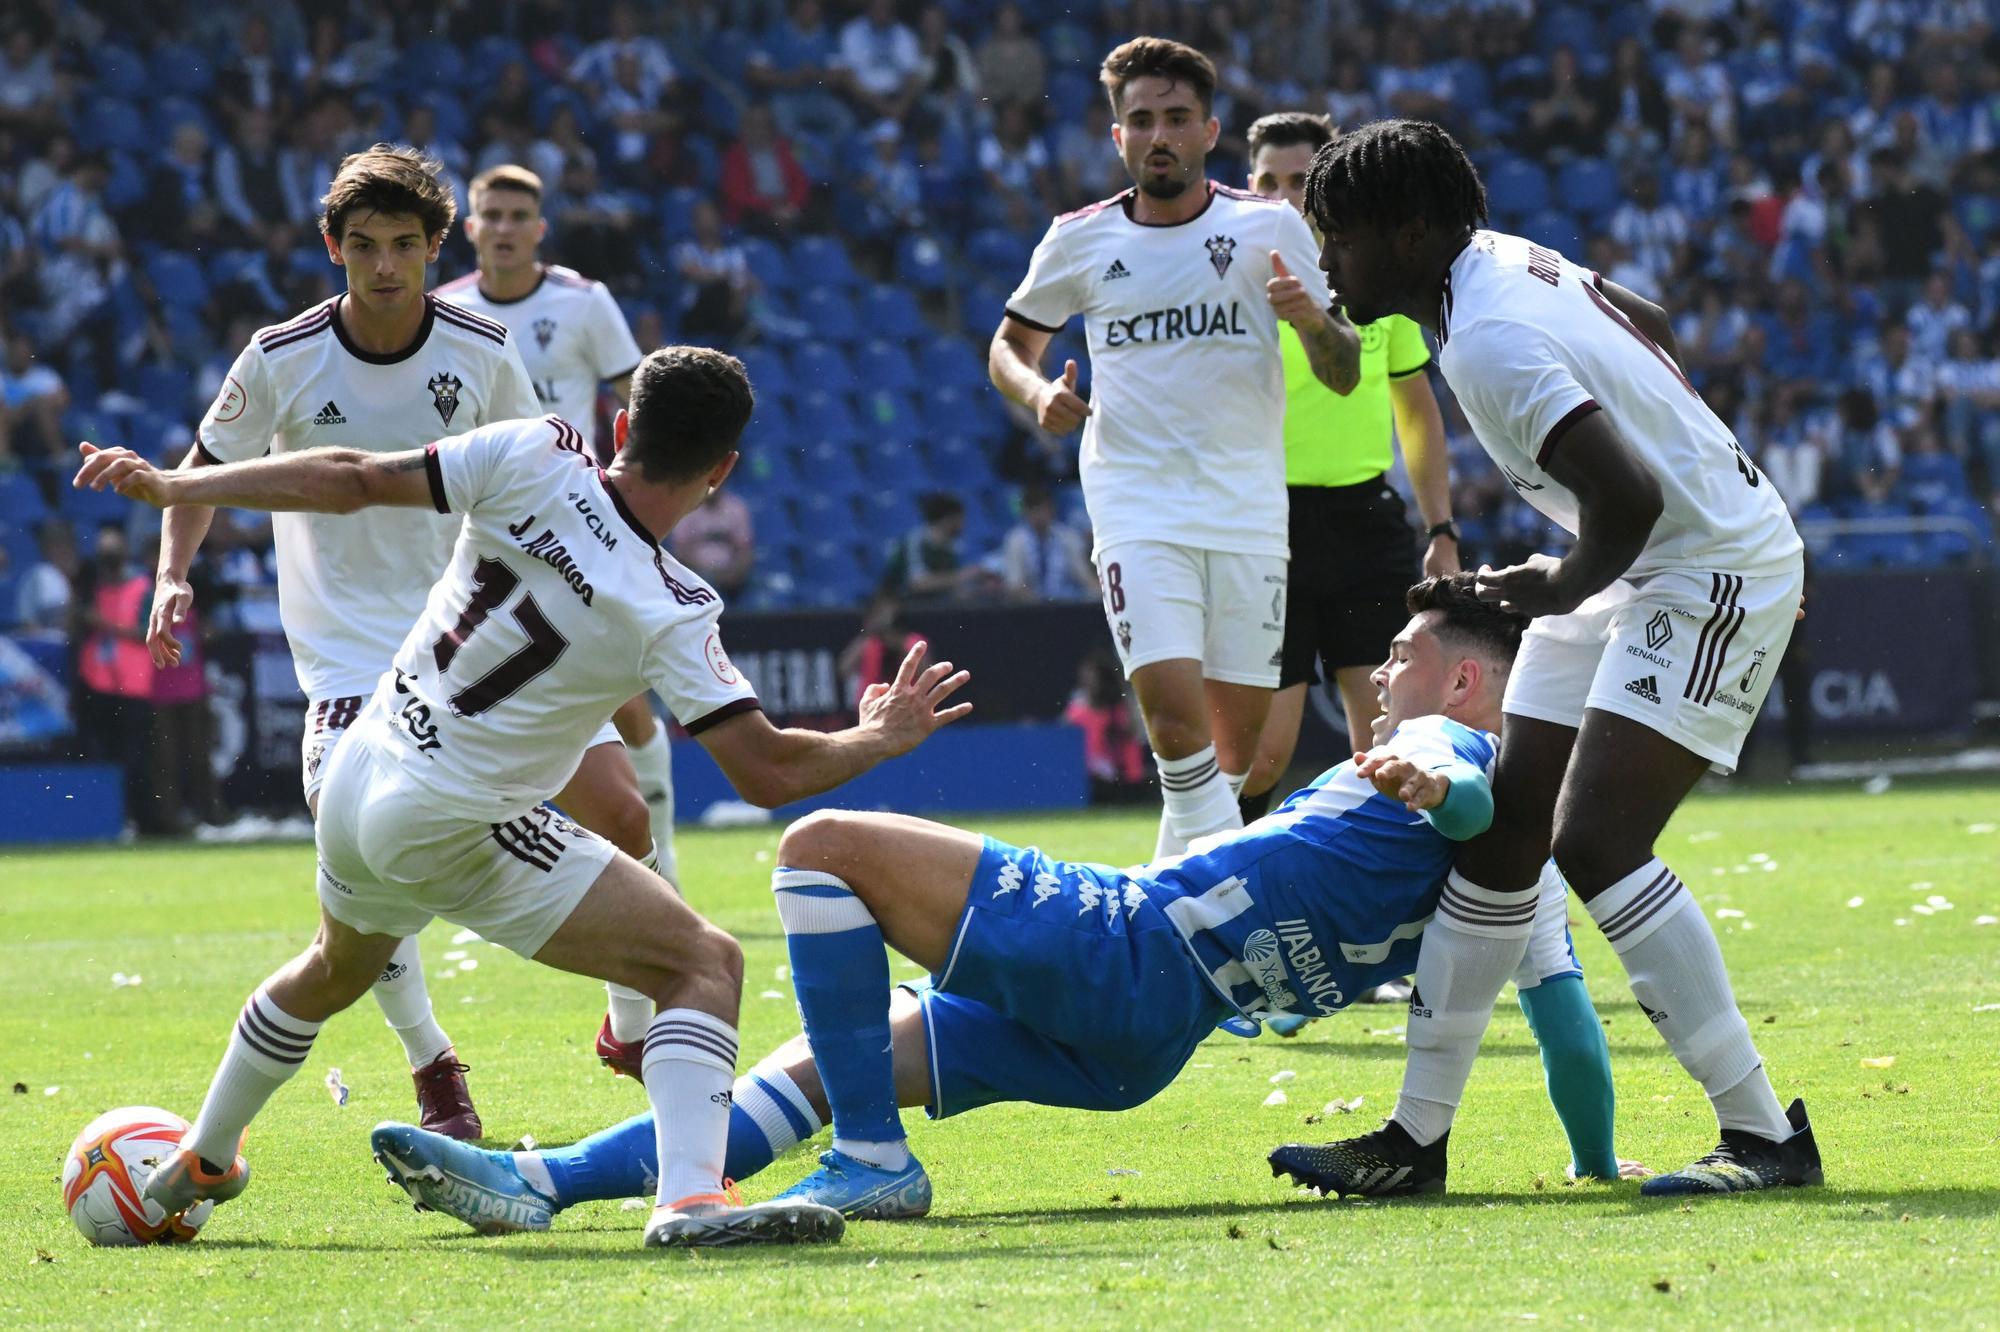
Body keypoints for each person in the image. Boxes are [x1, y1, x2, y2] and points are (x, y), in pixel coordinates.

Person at [357, 576, 1629, 1230]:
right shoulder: (1513, 883)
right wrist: (1589, 1165)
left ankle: (871, 1163)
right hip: (1146, 1040)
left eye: (1406, 659)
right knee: (812, 1065)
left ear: (1467, 683)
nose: (1386, 672)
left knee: (821, 845)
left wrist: (1424, 773)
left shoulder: (1452, 760)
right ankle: (545, 1178)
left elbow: (1457, 790)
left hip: (1130, 949)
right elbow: (1567, 1027)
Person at [75, 345, 971, 1247]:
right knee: (705, 963)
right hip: (450, 815)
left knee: (335, 968)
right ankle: (693, 1200)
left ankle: (204, 1152)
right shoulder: (673, 605)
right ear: (720, 472)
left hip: (358, 769)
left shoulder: (535, 451)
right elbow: (766, 771)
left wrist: (183, 488)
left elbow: (348, 479)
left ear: (622, 425)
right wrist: (880, 736)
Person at [1278, 119, 1821, 1198]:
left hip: (1698, 562)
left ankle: (1765, 1138)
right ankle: (1415, 1141)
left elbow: (1630, 498)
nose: (1324, 259)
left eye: (1337, 235)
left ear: (1412, 231)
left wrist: (1549, 589)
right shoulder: (1496, 265)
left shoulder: (1486, 337)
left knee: (1596, 840)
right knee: (1503, 838)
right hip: (1640, 556)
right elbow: (1648, 324)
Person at [144, 144, 635, 1142]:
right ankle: (432, 1062)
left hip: (476, 629)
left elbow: (543, 473)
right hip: (352, 653)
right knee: (371, 862)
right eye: (362, 246)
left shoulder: (479, 346)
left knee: (624, 810)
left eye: (403, 246)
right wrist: (170, 573)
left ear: (431, 249)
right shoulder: (281, 356)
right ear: (332, 247)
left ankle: (626, 1029)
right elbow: (198, 472)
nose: (382, 267)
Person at [988, 38, 1360, 865]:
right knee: (1176, 726)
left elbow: (1342, 372)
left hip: (1249, 514)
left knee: (1230, 760)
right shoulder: (1076, 239)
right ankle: (1222, 928)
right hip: (1137, 505)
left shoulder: (1268, 227)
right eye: (1141, 120)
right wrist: (1037, 392)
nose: (1160, 135)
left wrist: (1308, 321)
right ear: (1117, 136)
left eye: (1177, 119)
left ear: (1210, 130)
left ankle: (1163, 931)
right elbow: (1009, 346)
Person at [438, 163, 683, 1069]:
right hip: (478, 552)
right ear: (469, 227)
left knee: (628, 718)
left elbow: (639, 404)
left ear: (541, 228)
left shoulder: (585, 305)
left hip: (581, 541)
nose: (503, 228)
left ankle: (657, 876)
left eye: (518, 216)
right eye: (491, 215)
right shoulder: (447, 312)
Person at [1235, 112, 1458, 834]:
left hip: (1365, 525)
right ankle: (1208, 903)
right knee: (1261, 758)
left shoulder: (1370, 284)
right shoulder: (1232, 286)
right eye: (1268, 180)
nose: (1284, 194)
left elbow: (1418, 415)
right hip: (1266, 529)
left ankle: (1402, 911)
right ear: (1248, 184)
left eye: (1300, 179)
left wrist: (1441, 528)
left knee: (1390, 745)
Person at [997, 483, 1094, 601]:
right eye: (1034, 511)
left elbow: (1083, 575)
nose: (1039, 516)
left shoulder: (1068, 537)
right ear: (1025, 513)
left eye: (1042, 510)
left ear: (1051, 510)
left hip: (1067, 604)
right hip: (1031, 607)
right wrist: (1039, 603)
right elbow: (1015, 583)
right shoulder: (1015, 540)